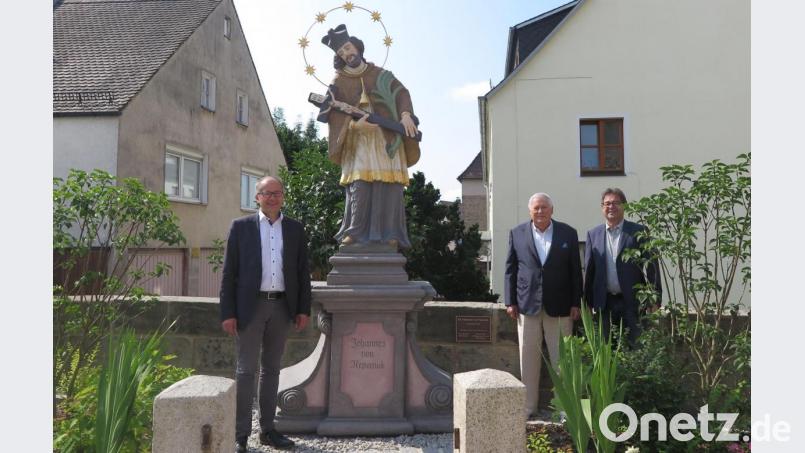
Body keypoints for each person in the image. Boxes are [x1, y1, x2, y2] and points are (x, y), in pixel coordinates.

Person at [219, 176, 312, 452]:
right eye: (266, 193)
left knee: (272, 370)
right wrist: (228, 312)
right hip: (250, 308)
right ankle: (240, 434)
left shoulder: (294, 229)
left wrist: (302, 309)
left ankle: (268, 430)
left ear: (283, 197)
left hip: (282, 308)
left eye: (277, 193)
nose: (272, 197)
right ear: (256, 197)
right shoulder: (241, 228)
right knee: (246, 370)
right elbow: (228, 274)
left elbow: (302, 273)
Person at [317, 24, 420, 248]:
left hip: (386, 136)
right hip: (358, 137)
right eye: (341, 53)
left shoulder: (381, 74)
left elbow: (401, 92)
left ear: (356, 46)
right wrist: (354, 128)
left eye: (347, 47)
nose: (347, 54)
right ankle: (354, 232)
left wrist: (405, 115)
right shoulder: (338, 81)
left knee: (390, 183)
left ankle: (391, 232)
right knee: (359, 183)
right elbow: (332, 113)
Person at [504, 193, 582, 417]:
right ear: (530, 211)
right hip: (526, 306)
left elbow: (576, 272)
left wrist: (576, 302)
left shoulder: (568, 233)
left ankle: (564, 408)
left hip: (561, 307)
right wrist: (510, 301)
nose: (540, 212)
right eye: (536, 208)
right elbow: (510, 269)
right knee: (528, 359)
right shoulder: (517, 233)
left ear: (552, 210)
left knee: (562, 361)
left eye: (544, 208)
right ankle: (528, 407)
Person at [584, 187, 661, 347]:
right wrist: (587, 302)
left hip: (632, 302)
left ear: (624, 206)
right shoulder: (593, 234)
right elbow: (589, 271)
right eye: (607, 203)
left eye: (616, 203)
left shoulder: (639, 231)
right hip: (604, 303)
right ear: (602, 207)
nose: (611, 207)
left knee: (635, 347)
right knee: (606, 349)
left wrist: (654, 298)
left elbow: (652, 266)